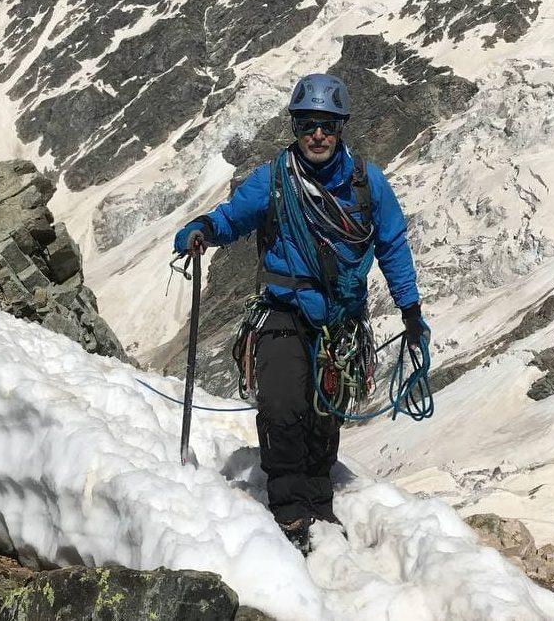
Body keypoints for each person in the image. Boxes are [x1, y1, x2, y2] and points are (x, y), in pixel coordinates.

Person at [173, 73, 428, 552]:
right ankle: (290, 511)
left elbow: (392, 245)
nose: (318, 134)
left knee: (324, 414)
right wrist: (201, 228)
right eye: (309, 124)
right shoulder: (274, 179)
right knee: (283, 406)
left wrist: (410, 310)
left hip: (340, 321)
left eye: (327, 126)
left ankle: (318, 498)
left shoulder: (367, 185)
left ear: (341, 129)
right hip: (284, 310)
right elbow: (232, 218)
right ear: (296, 126)